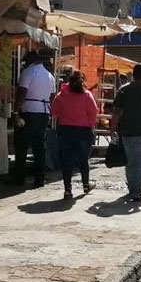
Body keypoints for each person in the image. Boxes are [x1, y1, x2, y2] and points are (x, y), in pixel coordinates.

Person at [110, 64, 141, 202]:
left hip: (126, 131)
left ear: (133, 74)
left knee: (130, 162)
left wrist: (112, 130)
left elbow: (116, 113)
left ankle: (132, 188)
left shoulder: (123, 90)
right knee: (140, 163)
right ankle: (137, 191)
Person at [51, 71, 98, 200]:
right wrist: (90, 125)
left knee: (67, 160)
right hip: (83, 131)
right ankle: (86, 184)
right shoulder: (87, 95)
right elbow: (93, 113)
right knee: (83, 159)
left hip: (65, 131)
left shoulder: (62, 95)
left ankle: (67, 189)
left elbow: (54, 112)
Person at [13, 51, 56, 187]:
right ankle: (39, 178)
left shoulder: (28, 72)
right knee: (39, 146)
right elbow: (53, 96)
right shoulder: (50, 76)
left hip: (29, 111)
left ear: (31, 60)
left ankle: (19, 178)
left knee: (21, 145)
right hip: (43, 112)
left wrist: (15, 112)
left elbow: (22, 92)